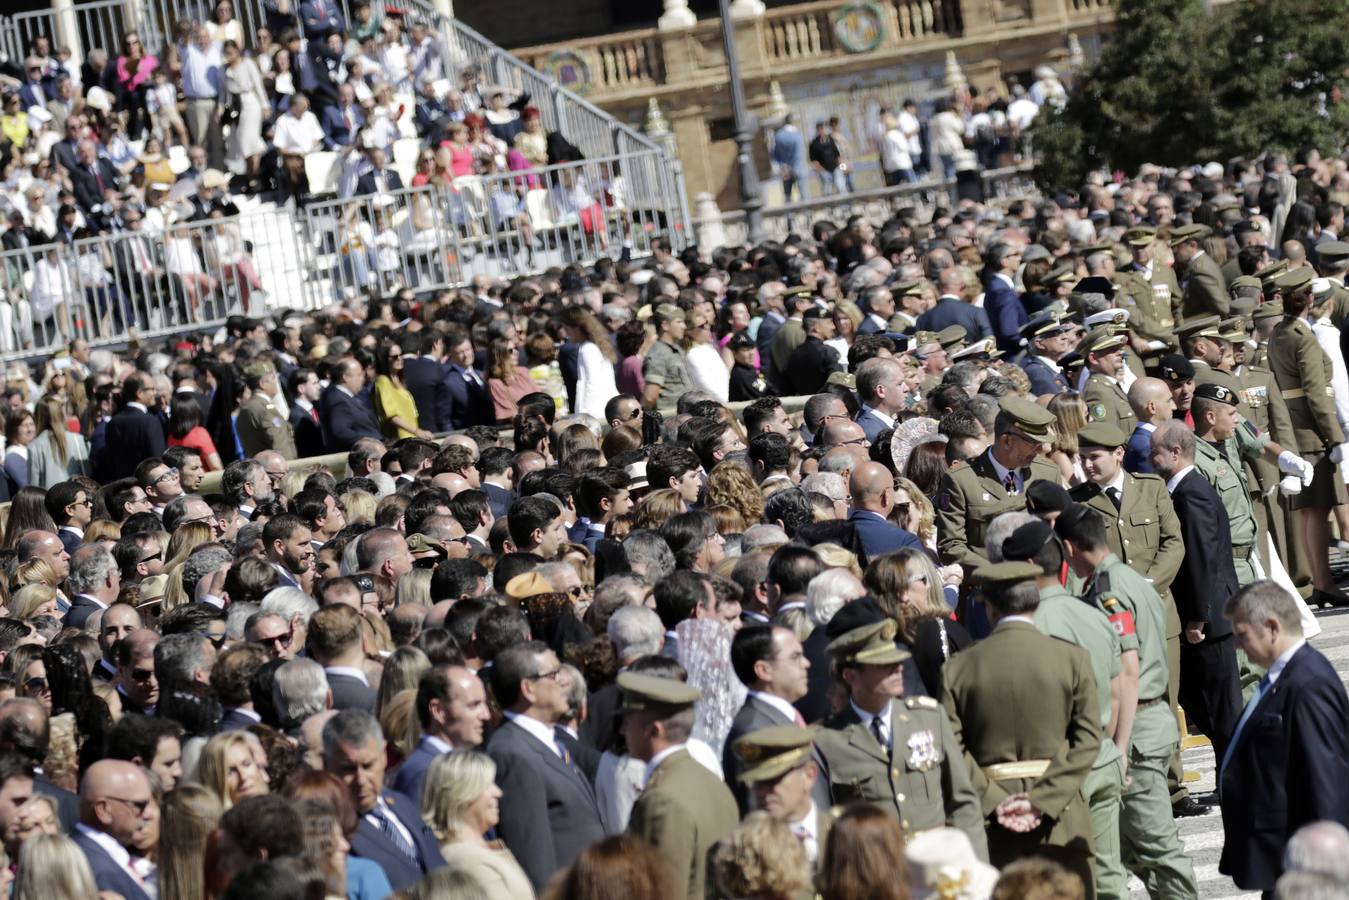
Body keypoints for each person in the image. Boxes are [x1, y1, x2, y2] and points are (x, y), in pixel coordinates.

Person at [941, 562, 1099, 889]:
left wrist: (995, 800)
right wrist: (1043, 800)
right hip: (1062, 815)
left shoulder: (958, 668)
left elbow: (951, 749)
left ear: (990, 608)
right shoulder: (1072, 658)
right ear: (1036, 600)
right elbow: (1087, 742)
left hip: (992, 823)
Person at [812, 617, 986, 854]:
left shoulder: (929, 718)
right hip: (873, 876)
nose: (898, 669)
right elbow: (823, 826)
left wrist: (973, 870)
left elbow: (963, 803)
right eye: (883, 665)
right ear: (851, 676)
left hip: (935, 872)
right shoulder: (826, 740)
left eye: (897, 661)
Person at [1219, 580, 1349, 892]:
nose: (1236, 646)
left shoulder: (1307, 685)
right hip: (1281, 856)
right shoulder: (1284, 677)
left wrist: (1325, 876)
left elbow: (1327, 781)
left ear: (1272, 627)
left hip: (1304, 866)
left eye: (1242, 635)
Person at [486, 641, 604, 891]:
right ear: (528, 689)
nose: (564, 680)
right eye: (553, 674)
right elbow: (533, 857)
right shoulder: (513, 753)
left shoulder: (549, 741)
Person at [618, 671, 739, 900]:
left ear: (654, 731)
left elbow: (664, 892)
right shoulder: (711, 781)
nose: (623, 730)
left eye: (628, 722)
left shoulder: (663, 800)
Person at [322, 709, 445, 890]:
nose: (361, 780)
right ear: (327, 766)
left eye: (368, 765)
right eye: (348, 769)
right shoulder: (331, 830)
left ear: (384, 756)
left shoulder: (401, 803)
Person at [422, 750, 535, 900]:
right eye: (487, 785)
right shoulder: (467, 861)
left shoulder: (476, 851)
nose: (498, 792)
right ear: (461, 794)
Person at [71, 759, 159, 900]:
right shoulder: (98, 870)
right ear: (103, 810)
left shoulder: (95, 855)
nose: (147, 814)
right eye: (139, 805)